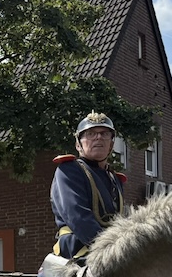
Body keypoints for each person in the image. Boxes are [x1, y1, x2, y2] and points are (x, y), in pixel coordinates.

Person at [50, 111, 127, 260]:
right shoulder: (69, 169)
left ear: (111, 144)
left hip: (114, 248)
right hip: (79, 249)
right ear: (78, 144)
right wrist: (108, 249)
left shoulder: (115, 178)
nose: (98, 137)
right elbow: (78, 216)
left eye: (104, 134)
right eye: (91, 134)